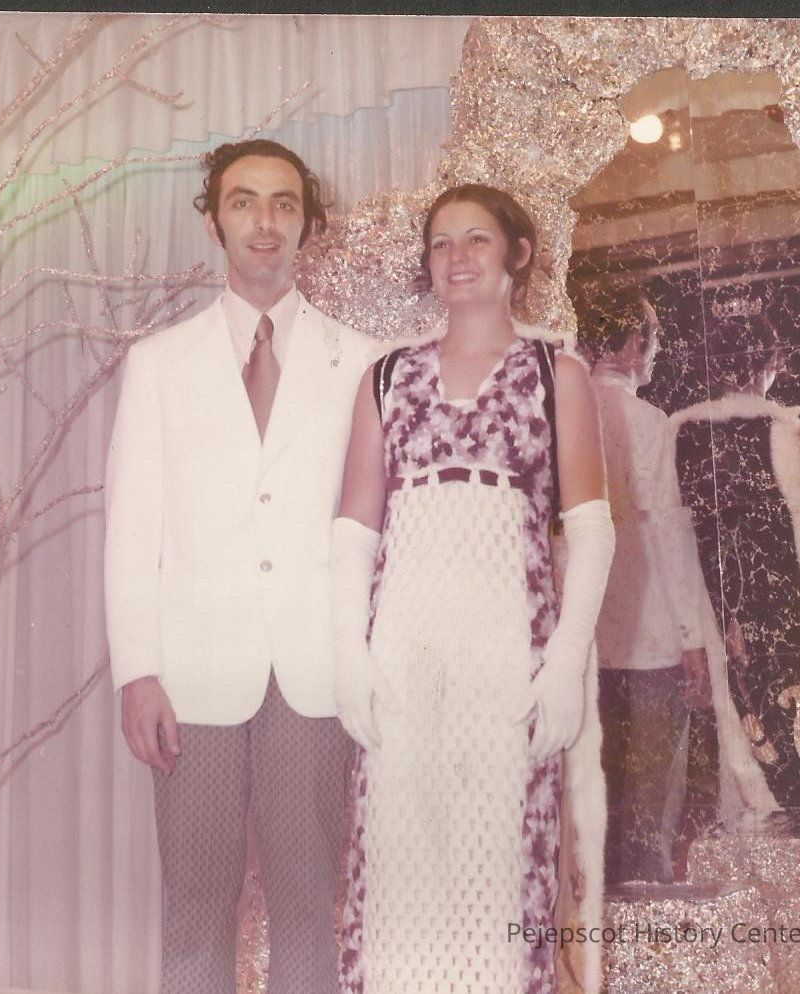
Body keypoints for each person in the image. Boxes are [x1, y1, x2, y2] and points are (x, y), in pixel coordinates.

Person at [103, 139, 378, 994]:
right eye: (244, 201)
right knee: (194, 904)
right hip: (193, 679)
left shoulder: (364, 362)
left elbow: (378, 525)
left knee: (309, 906)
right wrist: (137, 672)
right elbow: (131, 529)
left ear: (309, 224)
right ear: (214, 222)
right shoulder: (158, 364)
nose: (265, 220)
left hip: (315, 676)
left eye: (284, 203)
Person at [331, 184, 614, 994]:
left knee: (500, 882)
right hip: (407, 658)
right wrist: (349, 655)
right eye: (441, 243)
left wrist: (564, 664)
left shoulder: (557, 372)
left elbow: (593, 532)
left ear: (517, 255)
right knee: (401, 876)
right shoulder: (386, 377)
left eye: (477, 239)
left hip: (508, 662)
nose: (457, 257)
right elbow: (353, 531)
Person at [669, 301, 800, 810]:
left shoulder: (683, 436)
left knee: (749, 766)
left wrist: (689, 637)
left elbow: (675, 544)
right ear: (774, 362)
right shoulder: (798, 437)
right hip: (796, 623)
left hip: (723, 629)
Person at [586, 286, 710, 883]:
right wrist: (694, 637)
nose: (657, 350)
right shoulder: (649, 422)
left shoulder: (561, 416)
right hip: (653, 641)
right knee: (650, 810)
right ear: (633, 342)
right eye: (653, 337)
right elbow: (669, 535)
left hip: (585, 642)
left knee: (593, 809)